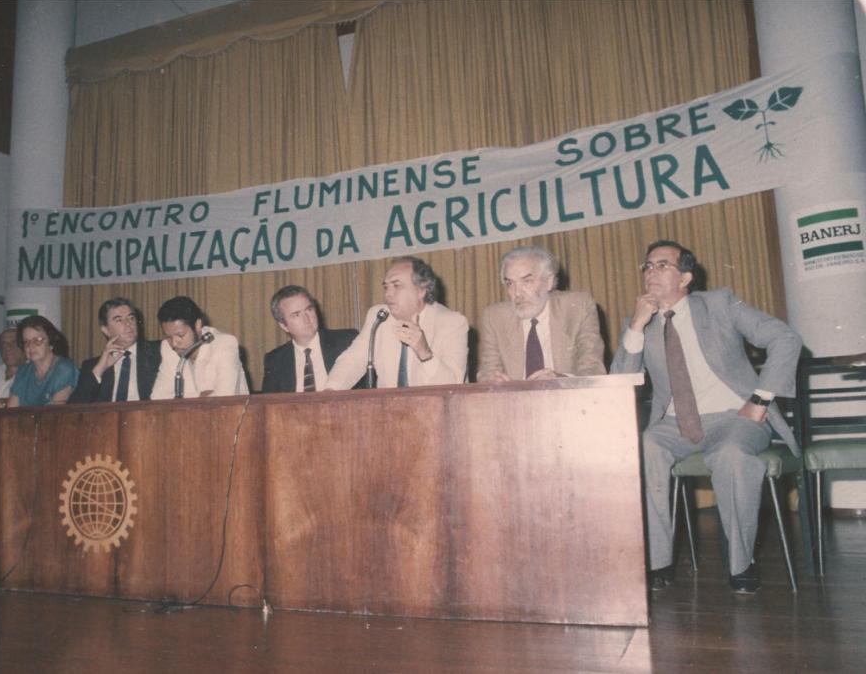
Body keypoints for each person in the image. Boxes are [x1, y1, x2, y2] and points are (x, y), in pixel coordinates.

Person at [610, 240, 801, 594]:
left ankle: (741, 564)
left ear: (685, 277)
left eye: (662, 265)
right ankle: (657, 562)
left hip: (736, 417)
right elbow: (619, 382)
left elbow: (785, 338)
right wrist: (636, 325)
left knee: (731, 455)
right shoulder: (639, 324)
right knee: (645, 447)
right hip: (675, 424)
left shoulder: (719, 304)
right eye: (647, 266)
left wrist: (760, 399)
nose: (651, 272)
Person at [325, 256, 468, 389]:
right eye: (386, 287)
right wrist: (331, 390)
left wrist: (424, 353)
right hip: (389, 406)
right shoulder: (379, 316)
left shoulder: (451, 322)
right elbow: (353, 360)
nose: (388, 294)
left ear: (421, 290)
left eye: (397, 286)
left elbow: (454, 386)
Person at [478, 246, 605, 381]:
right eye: (510, 284)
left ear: (549, 282)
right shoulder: (495, 317)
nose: (517, 293)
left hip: (566, 392)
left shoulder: (577, 307)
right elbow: (487, 371)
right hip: (514, 394)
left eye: (527, 281)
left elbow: (592, 368)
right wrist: (492, 380)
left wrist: (560, 380)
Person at [262, 285, 361, 393]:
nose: (307, 318)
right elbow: (269, 401)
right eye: (296, 315)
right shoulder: (275, 360)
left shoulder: (346, 340)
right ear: (284, 325)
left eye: (309, 309)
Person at [150, 296, 249, 399]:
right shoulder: (167, 348)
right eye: (168, 336)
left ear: (198, 325)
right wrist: (200, 395)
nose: (174, 344)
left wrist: (181, 398)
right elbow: (158, 397)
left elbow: (224, 398)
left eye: (180, 335)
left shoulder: (225, 344)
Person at [69, 298, 162, 403]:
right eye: (119, 320)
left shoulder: (159, 351)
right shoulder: (92, 366)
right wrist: (99, 369)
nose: (128, 324)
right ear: (106, 330)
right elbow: (74, 407)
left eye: (131, 318)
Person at [7, 316, 78, 407]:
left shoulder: (64, 369)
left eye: (38, 340)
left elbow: (54, 412)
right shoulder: (23, 372)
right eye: (26, 342)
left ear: (51, 342)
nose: (30, 346)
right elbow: (12, 409)